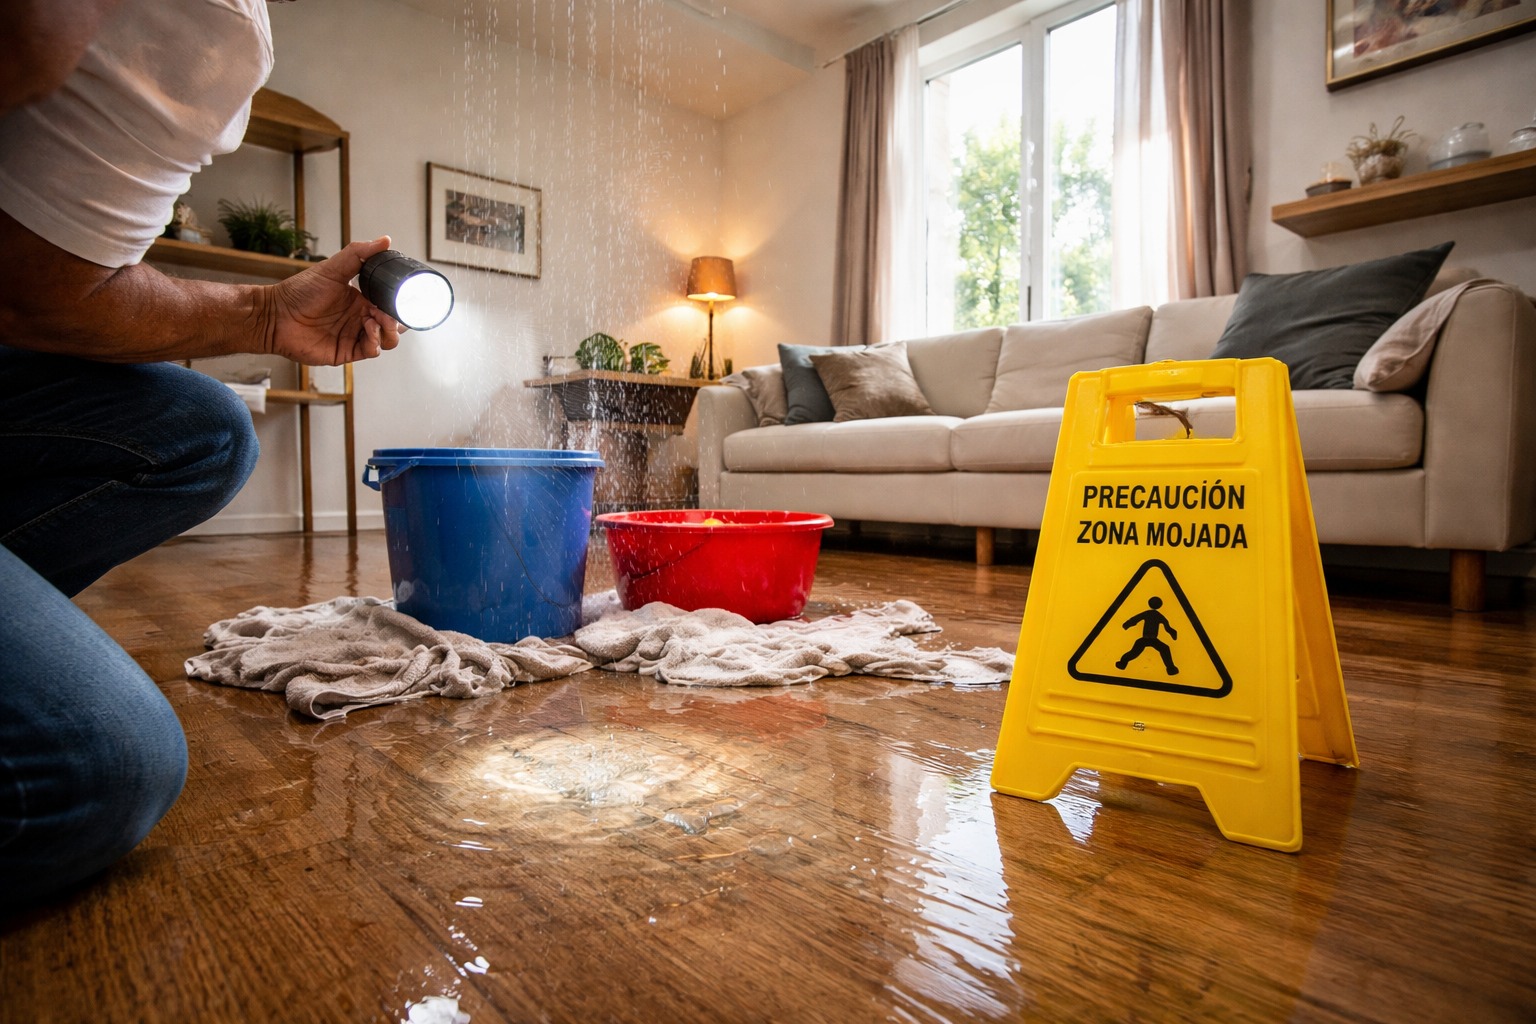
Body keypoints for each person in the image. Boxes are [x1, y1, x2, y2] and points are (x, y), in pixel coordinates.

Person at [0, 0, 405, 912]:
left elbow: (36, 291)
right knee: (91, 769)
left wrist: (266, 316)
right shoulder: (198, 27)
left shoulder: (214, 26)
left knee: (204, 428)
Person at [1115, 596, 1179, 675]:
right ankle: (1122, 663)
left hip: (1152, 639)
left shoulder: (1153, 614)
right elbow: (1167, 627)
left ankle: (1171, 668)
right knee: (1134, 652)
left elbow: (1167, 627)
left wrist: (1127, 624)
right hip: (1147, 639)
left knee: (1164, 649)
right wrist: (1127, 624)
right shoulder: (1157, 615)